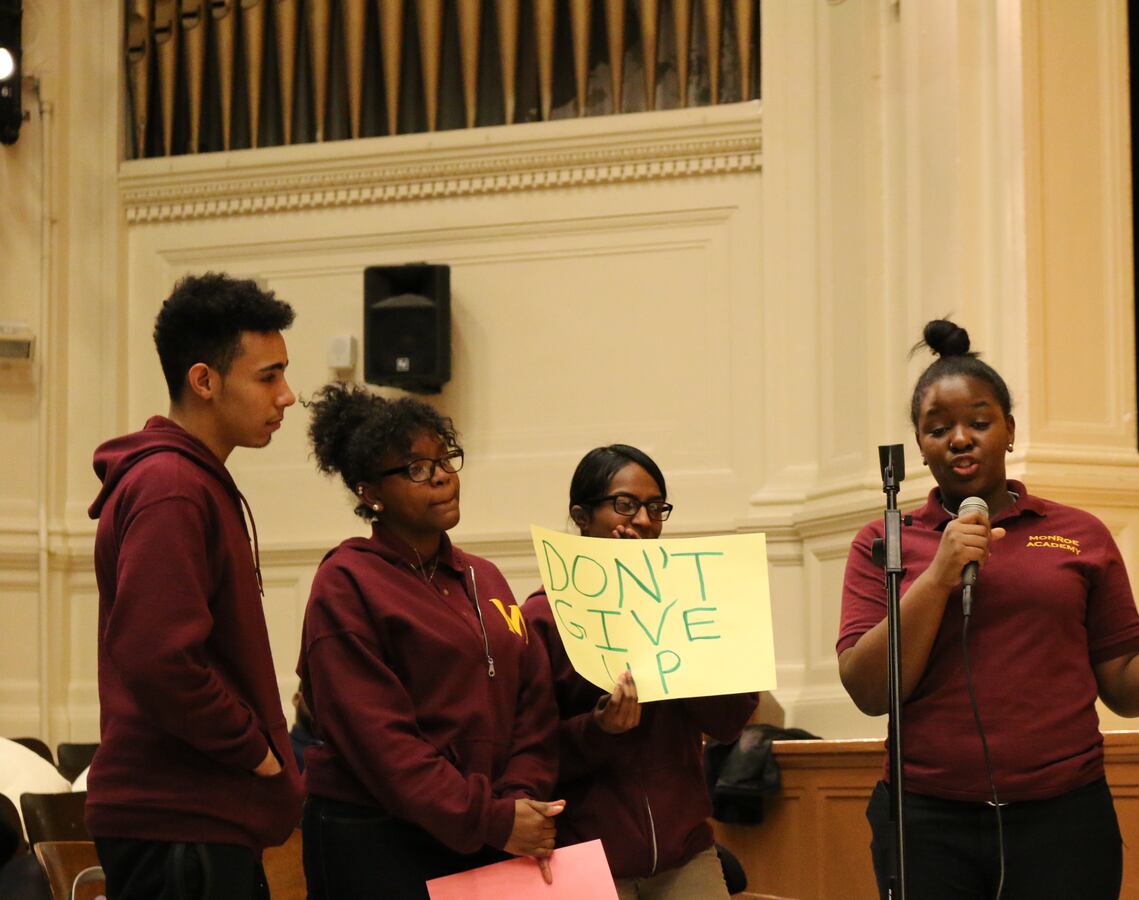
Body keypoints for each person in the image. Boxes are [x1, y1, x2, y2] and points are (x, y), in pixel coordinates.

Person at [835, 320, 1139, 900]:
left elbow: (1124, 688)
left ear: (1009, 432)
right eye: (938, 428)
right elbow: (870, 692)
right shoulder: (886, 543)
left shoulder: (1080, 534)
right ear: (919, 446)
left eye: (979, 422)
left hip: (1062, 819)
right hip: (927, 822)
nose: (960, 439)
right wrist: (937, 575)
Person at [297, 384, 562, 898]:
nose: (442, 475)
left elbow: (534, 705)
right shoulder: (347, 583)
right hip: (378, 837)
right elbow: (382, 745)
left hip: (487, 832)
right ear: (369, 491)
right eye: (416, 468)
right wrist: (490, 817)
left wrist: (518, 802)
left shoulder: (484, 577)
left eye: (446, 459)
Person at [86, 273, 303, 899]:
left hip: (198, 821)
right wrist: (253, 749)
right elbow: (158, 655)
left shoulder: (189, 481)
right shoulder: (171, 487)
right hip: (180, 820)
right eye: (268, 376)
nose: (287, 395)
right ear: (203, 380)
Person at [523, 444, 758, 900]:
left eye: (656, 508)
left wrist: (688, 646)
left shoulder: (692, 603)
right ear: (582, 516)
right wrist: (599, 728)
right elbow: (531, 749)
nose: (645, 521)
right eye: (625, 505)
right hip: (585, 859)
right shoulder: (544, 617)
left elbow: (731, 722)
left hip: (685, 854)